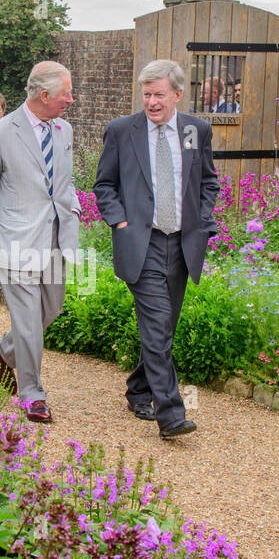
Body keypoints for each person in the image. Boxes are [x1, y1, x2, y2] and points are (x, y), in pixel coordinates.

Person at [94, 59, 220, 439]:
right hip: (141, 243)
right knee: (157, 325)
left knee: (163, 326)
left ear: (177, 94)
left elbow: (208, 182)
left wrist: (202, 219)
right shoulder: (121, 131)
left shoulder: (197, 130)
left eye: (159, 95)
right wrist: (120, 222)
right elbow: (104, 185)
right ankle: (171, 414)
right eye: (146, 94)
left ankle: (138, 389)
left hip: (182, 244)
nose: (151, 102)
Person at [0, 61, 80, 424]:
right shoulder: (0, 133)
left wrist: (74, 210)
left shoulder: (64, 130)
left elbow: (64, 182)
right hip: (14, 240)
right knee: (29, 321)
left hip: (56, 238)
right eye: (66, 93)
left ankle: (3, 350)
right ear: (44, 95)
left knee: (51, 310)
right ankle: (32, 395)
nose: (71, 99)